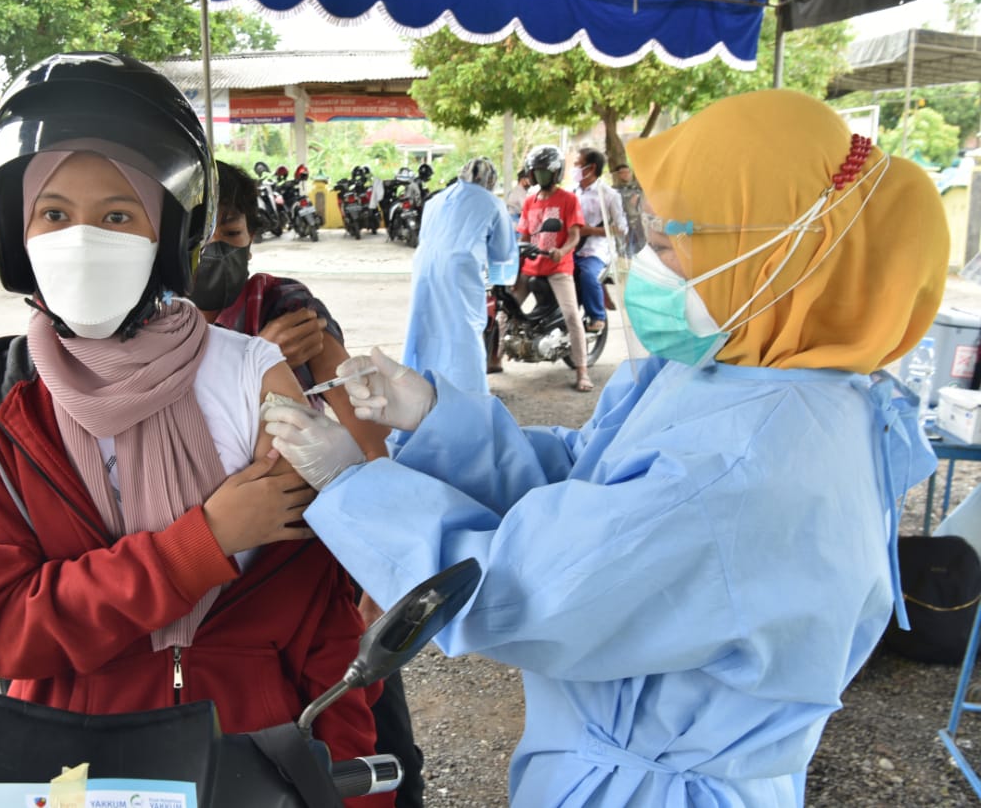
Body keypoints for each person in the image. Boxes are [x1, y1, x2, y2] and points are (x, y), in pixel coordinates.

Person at [262, 89, 949, 806]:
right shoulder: (756, 370)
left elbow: (528, 586)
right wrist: (434, 418)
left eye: (671, 245)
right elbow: (586, 473)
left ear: (772, 253)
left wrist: (355, 485)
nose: (646, 263)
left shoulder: (743, 464)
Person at [0, 52, 390, 807]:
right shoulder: (3, 407)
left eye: (119, 214)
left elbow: (321, 618)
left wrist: (345, 779)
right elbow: (8, 627)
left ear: (168, 228)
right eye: (54, 213)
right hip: (73, 768)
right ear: (15, 231)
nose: (82, 238)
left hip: (251, 757)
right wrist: (200, 543)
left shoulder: (253, 374)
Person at [192, 160, 423, 808]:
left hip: (313, 545)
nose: (216, 248)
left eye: (231, 230)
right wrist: (253, 360)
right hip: (215, 567)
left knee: (378, 747)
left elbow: (359, 418)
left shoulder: (284, 303)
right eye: (199, 231)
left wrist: (383, 558)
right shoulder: (148, 322)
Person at [401, 156, 515, 396]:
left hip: (425, 267)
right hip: (460, 269)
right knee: (464, 332)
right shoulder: (492, 202)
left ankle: (424, 390)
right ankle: (470, 397)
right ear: (490, 182)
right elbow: (503, 252)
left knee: (426, 326)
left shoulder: (436, 199)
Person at [515, 145, 591, 392]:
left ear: (555, 173)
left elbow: (574, 236)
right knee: (507, 310)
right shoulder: (529, 202)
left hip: (559, 267)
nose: (540, 177)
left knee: (571, 315)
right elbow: (524, 236)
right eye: (536, 172)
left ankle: (582, 371)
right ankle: (494, 359)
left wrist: (562, 251)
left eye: (544, 172)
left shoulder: (568, 199)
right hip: (531, 267)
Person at [571, 147, 627, 336]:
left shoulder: (609, 195)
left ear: (591, 168)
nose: (574, 168)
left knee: (588, 275)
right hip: (570, 248)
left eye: (577, 164)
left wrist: (591, 230)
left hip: (596, 250)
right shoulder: (571, 193)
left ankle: (597, 316)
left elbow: (621, 229)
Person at [612, 161, 645, 255]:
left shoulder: (638, 188)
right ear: (618, 174)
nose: (626, 174)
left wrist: (638, 196)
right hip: (624, 224)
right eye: (623, 172)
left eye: (628, 172)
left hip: (639, 223)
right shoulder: (614, 190)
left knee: (642, 248)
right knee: (626, 250)